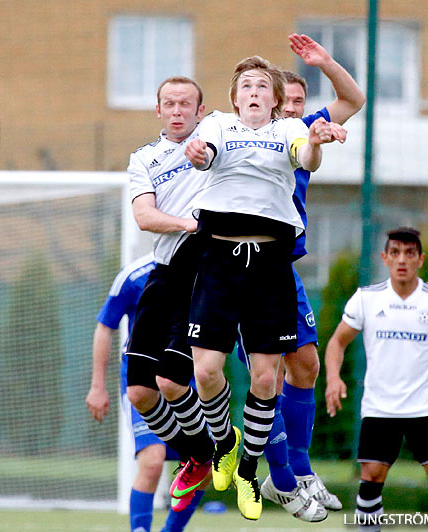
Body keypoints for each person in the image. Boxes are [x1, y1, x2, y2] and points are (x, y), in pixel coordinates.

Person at [183, 56, 346, 521]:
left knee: (265, 379)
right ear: (235, 97)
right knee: (208, 373)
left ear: (276, 100)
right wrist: (199, 155)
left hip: (271, 263)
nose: (253, 91)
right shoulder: (217, 124)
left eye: (262, 86)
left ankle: (250, 472)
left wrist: (315, 143)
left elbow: (306, 156)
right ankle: (225, 444)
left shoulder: (288, 130)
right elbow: (206, 152)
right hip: (219, 258)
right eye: (246, 86)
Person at [260, 32, 365, 521]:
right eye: (291, 102)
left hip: (284, 267)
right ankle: (281, 474)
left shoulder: (304, 132)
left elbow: (353, 99)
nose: (299, 110)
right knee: (268, 371)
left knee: (305, 366)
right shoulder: (248, 136)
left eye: (304, 103)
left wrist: (325, 61)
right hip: (245, 267)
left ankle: (298, 471)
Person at [325, 227, 428, 532]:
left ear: (421, 259)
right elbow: (337, 342)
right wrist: (333, 378)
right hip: (380, 407)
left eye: (409, 253)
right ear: (385, 258)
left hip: (427, 405)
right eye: (395, 253)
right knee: (372, 477)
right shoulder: (366, 299)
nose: (402, 259)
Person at [125, 77, 215, 514]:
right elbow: (144, 215)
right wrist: (188, 224)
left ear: (201, 111)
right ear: (158, 110)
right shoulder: (144, 158)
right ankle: (201, 452)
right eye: (169, 103)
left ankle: (211, 447)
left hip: (203, 271)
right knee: (139, 392)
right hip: (164, 272)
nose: (177, 110)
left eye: (186, 104)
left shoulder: (216, 137)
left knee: (171, 381)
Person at [86, 253, 206, 532]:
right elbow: (105, 328)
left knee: (203, 464)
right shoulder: (134, 276)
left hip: (186, 382)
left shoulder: (206, 271)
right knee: (151, 462)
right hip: (142, 383)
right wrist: (97, 385)